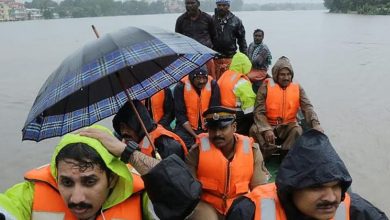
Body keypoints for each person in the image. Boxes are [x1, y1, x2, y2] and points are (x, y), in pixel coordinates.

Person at [0, 125, 201, 220]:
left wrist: (128, 152)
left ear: (112, 179)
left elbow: (184, 198)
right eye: (67, 183)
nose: (77, 198)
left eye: (89, 182)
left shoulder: (142, 200)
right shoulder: (31, 195)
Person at [226, 129, 388, 220]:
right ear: (292, 189)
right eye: (317, 187)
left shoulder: (356, 211)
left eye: (336, 186)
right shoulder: (249, 212)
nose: (331, 197)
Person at [186, 106, 268, 220]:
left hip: (239, 206)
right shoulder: (196, 152)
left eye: (223, 128)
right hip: (207, 206)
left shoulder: (252, 150)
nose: (217, 133)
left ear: (234, 127)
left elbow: (259, 188)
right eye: (212, 129)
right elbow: (189, 190)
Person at [249, 56, 323, 160]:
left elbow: (307, 107)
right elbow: (258, 111)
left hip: (288, 126)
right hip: (269, 124)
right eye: (282, 75)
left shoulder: (297, 87)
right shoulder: (265, 86)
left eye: (288, 74)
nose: (286, 78)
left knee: (298, 130)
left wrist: (316, 124)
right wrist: (266, 129)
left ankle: (286, 156)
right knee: (254, 130)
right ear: (276, 75)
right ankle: (264, 156)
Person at [113, 100, 188, 160]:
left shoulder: (167, 146)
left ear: (139, 124)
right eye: (121, 127)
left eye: (127, 126)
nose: (123, 132)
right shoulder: (143, 139)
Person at [174, 65, 221, 149]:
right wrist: (195, 136)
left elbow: (214, 110)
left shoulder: (213, 84)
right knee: (180, 146)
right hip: (186, 128)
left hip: (207, 126)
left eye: (204, 78)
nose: (202, 81)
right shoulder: (180, 86)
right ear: (192, 77)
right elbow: (180, 115)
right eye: (198, 78)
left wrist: (206, 132)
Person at [175, 0, 217, 78]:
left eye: (192, 3)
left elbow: (214, 36)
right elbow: (178, 39)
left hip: (206, 55)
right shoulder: (180, 20)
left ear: (198, 4)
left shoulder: (208, 18)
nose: (190, 5)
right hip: (188, 57)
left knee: (209, 80)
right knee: (188, 81)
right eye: (187, 3)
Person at [217, 52, 256, 135]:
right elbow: (249, 108)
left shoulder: (224, 76)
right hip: (237, 117)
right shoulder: (242, 81)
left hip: (221, 115)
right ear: (245, 66)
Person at [213, 0, 248, 80]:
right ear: (216, 6)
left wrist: (245, 57)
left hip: (230, 58)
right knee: (215, 83)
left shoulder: (236, 21)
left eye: (224, 5)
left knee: (229, 83)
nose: (221, 7)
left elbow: (242, 41)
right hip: (214, 59)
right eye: (219, 5)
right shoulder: (211, 20)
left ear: (228, 6)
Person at [247, 29, 272, 93]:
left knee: (246, 77)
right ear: (253, 36)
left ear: (262, 37)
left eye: (259, 36)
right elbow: (246, 56)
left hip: (260, 72)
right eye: (256, 36)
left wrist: (247, 61)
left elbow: (257, 62)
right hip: (251, 69)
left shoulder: (264, 49)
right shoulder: (251, 45)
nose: (257, 38)